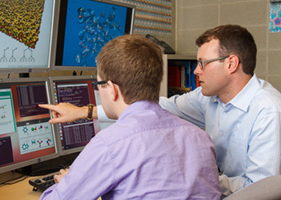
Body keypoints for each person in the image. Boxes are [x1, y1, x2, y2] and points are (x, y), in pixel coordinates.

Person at [45, 24, 281, 197]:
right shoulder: (206, 107)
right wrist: (85, 112)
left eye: (202, 63)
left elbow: (263, 189)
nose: (197, 71)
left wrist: (202, 177)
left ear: (231, 64)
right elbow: (156, 107)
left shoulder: (269, 110)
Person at [39, 35, 221, 199]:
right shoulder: (201, 138)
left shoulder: (109, 145)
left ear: (112, 89)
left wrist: (67, 183)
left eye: (98, 84)